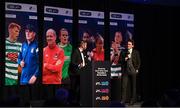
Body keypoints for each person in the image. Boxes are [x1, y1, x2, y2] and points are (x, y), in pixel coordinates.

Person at [121, 39, 141, 105]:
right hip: (126, 71)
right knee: (124, 86)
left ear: (133, 45)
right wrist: (125, 59)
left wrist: (137, 69)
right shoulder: (124, 52)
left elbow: (139, 62)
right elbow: (120, 61)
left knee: (133, 86)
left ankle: (132, 100)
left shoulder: (136, 52)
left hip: (133, 70)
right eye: (127, 44)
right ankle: (123, 100)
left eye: (129, 44)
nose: (128, 45)